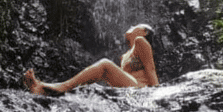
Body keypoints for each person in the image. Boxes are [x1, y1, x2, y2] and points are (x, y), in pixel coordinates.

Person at [23, 24, 159, 95]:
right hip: (130, 90)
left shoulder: (141, 41)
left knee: (105, 64)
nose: (131, 27)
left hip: (141, 89)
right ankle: (45, 89)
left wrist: (157, 95)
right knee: (97, 84)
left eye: (136, 26)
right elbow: (121, 79)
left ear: (144, 32)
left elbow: (151, 70)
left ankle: (60, 87)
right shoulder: (125, 55)